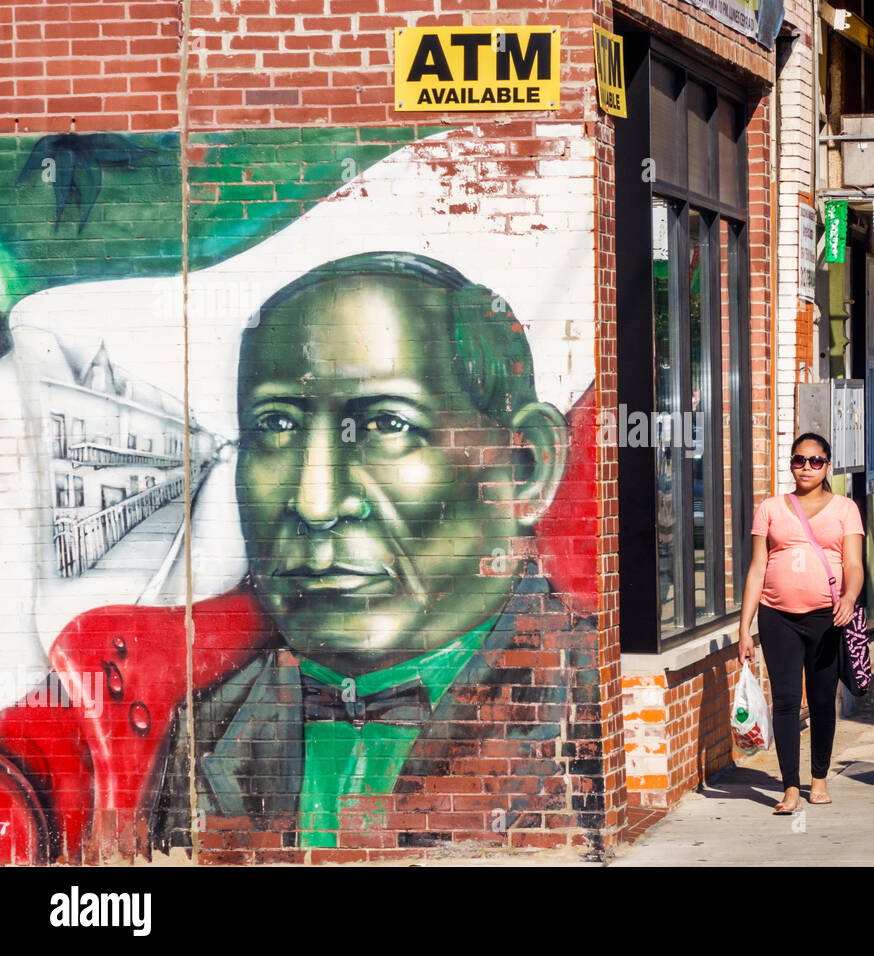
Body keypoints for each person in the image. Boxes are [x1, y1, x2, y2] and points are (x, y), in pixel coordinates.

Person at [0, 252, 577, 860]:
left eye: (386, 424)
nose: (316, 499)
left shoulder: (591, 719)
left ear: (525, 467)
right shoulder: (195, 736)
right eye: (276, 426)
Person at [738, 433, 864, 814]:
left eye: (815, 461)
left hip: (826, 617)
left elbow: (854, 565)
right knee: (788, 701)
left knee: (823, 698)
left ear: (827, 465)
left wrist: (848, 598)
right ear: (791, 464)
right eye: (799, 460)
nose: (806, 467)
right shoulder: (771, 508)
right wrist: (744, 629)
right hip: (777, 616)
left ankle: (819, 778)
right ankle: (790, 787)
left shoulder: (845, 508)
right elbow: (757, 568)